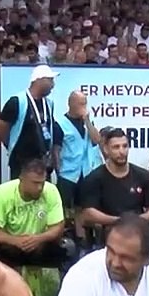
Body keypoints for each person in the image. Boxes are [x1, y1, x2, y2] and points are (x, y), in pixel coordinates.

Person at [0, 158, 79, 274]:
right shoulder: (2, 193)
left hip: (40, 244)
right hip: (10, 244)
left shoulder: (51, 191)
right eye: (35, 183)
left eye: (42, 183)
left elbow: (58, 227)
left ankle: (65, 287)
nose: (39, 188)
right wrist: (15, 241)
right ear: (22, 179)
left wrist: (38, 239)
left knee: (69, 248)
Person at [77, 128, 149, 247]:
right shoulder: (94, 179)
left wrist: (136, 221)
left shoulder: (142, 175)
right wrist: (119, 222)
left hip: (139, 228)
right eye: (116, 147)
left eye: (125, 146)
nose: (122, 151)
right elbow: (88, 214)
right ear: (106, 149)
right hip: (108, 230)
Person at [0, 64, 61, 179]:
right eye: (50, 80)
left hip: (43, 162)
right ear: (39, 80)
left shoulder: (49, 103)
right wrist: (12, 145)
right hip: (22, 163)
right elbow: (2, 128)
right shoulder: (17, 102)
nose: (53, 85)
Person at [53, 90, 103, 225]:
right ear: (70, 104)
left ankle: (82, 238)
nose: (83, 106)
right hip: (67, 173)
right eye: (80, 103)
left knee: (82, 208)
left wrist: (87, 121)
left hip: (85, 172)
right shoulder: (60, 124)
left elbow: (97, 140)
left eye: (85, 103)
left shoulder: (87, 123)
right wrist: (58, 172)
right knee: (64, 209)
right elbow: (56, 150)